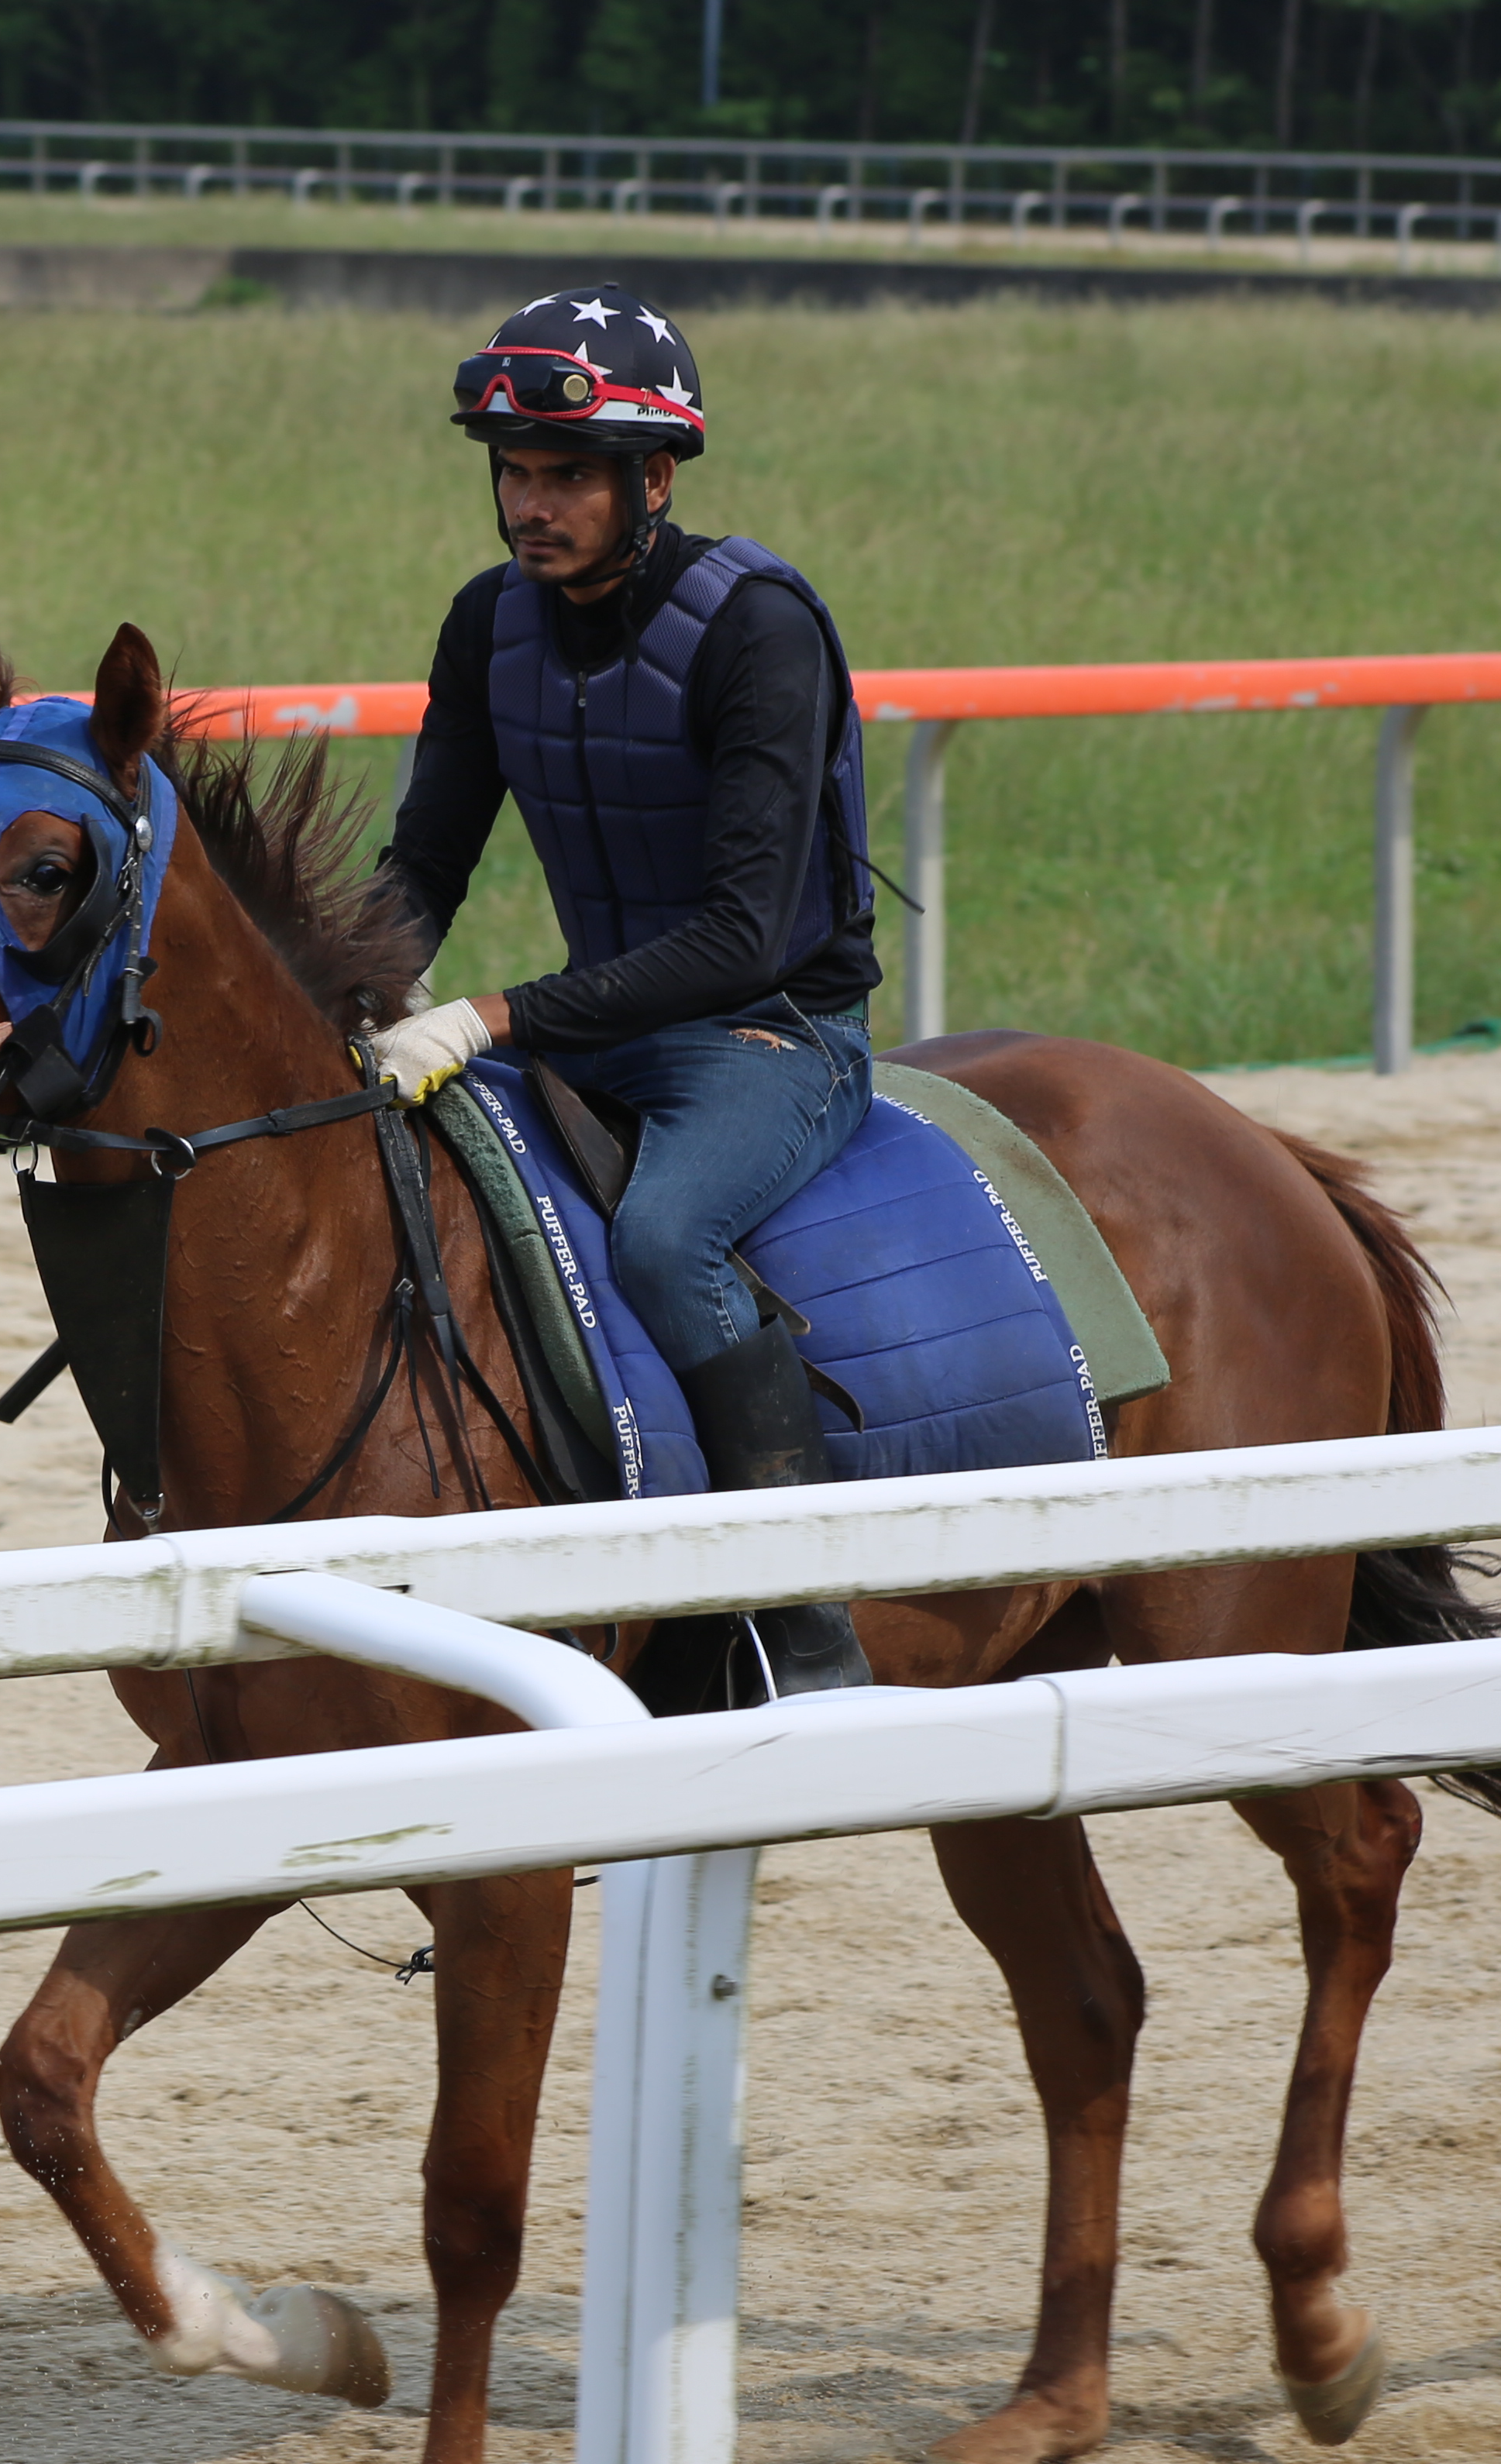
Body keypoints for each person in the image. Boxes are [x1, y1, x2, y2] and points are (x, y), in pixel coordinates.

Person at [364, 284, 882, 1695]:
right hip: (602, 1032)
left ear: (654, 479)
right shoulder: (490, 626)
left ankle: (800, 1620)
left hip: (770, 1034)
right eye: (515, 476)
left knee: (661, 1245)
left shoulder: (759, 629)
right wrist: (351, 985)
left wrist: (486, 1018)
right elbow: (425, 863)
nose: (533, 507)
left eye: (568, 477)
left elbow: (741, 940)